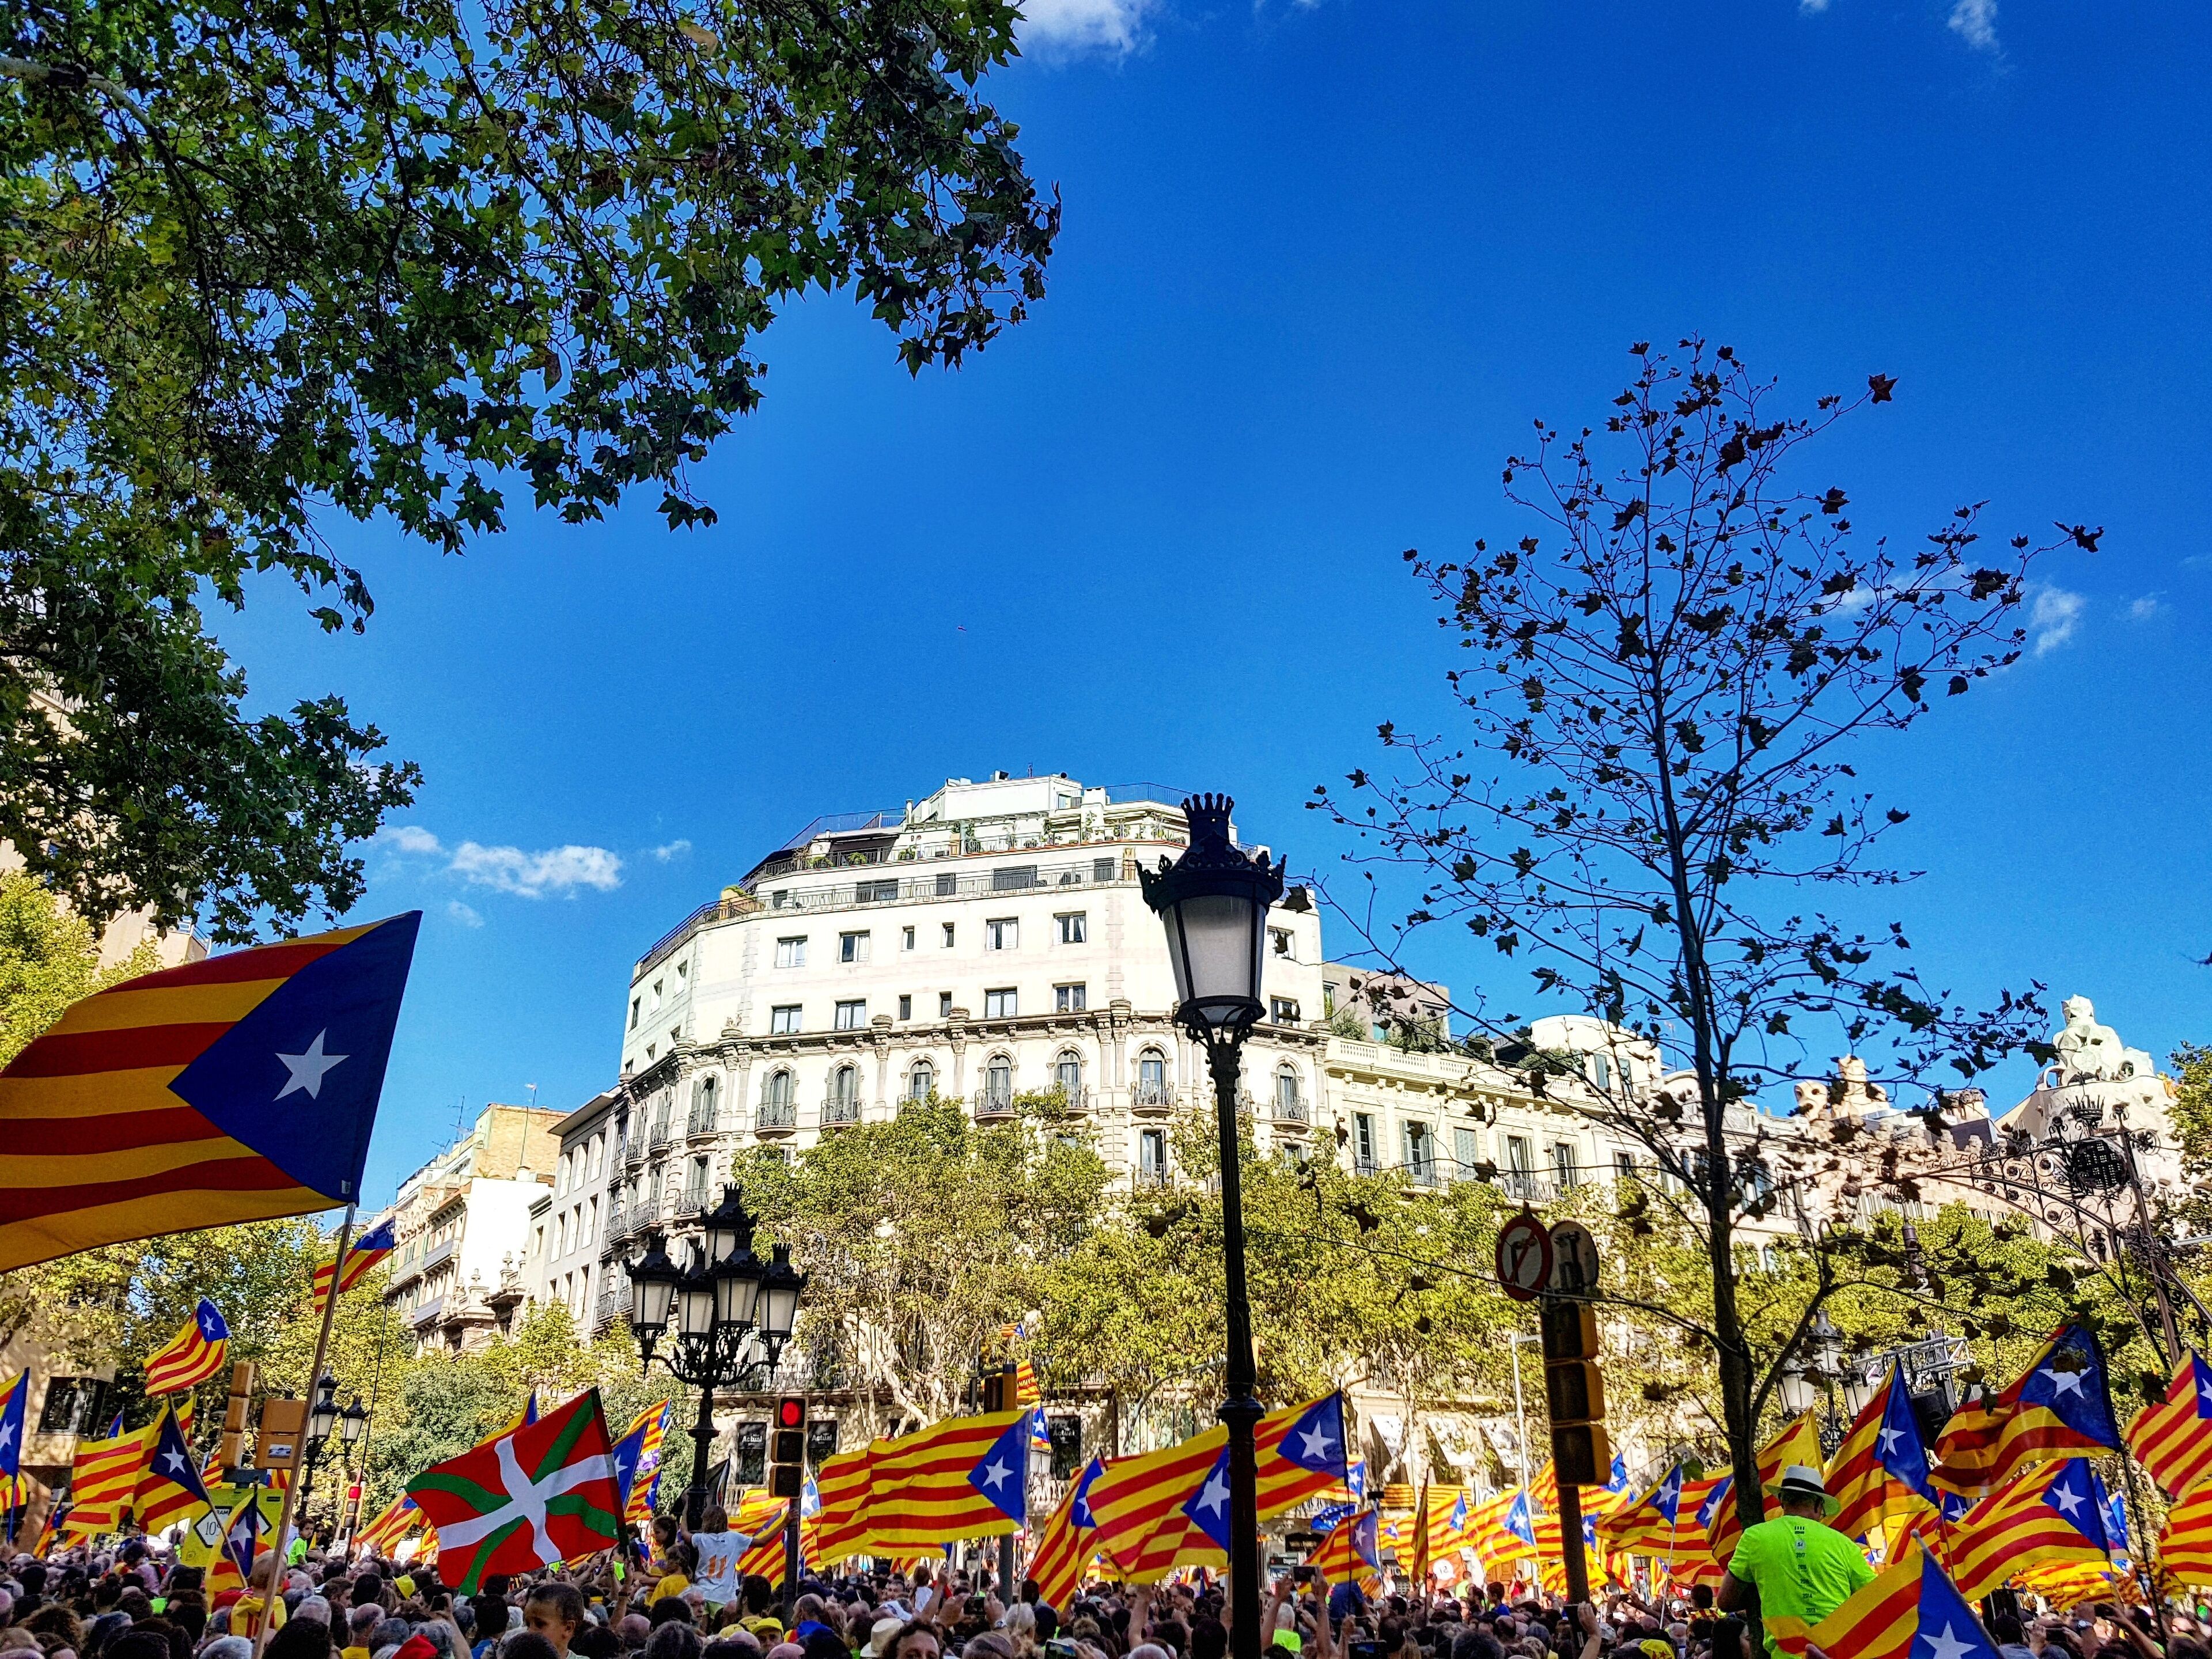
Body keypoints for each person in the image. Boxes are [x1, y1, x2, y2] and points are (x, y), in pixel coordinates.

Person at [1716, 1467, 1873, 1657]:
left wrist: (1767, 1589)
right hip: (1834, 1653)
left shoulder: (1754, 1537)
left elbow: (1725, 1601)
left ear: (1782, 1500)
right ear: (1818, 1505)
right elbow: (1873, 1598)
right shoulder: (1845, 1545)